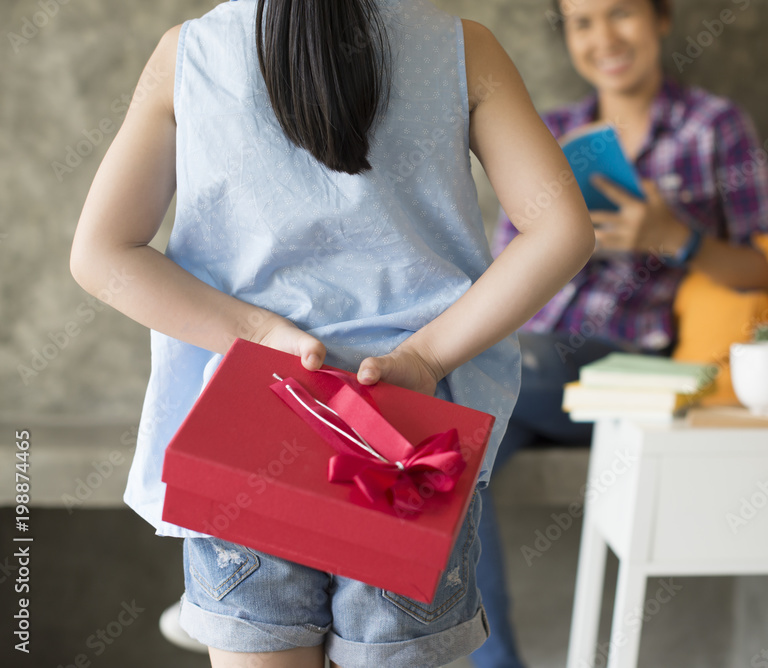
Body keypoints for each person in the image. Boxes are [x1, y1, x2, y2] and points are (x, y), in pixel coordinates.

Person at [68, 0, 596, 665]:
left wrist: (255, 330)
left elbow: (101, 254)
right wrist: (424, 357)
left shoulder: (188, 53)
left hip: (246, 437)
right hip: (408, 448)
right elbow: (562, 231)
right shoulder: (464, 49)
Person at [470, 0, 768, 666]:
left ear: (661, 19)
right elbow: (504, 269)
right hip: (530, 366)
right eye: (583, 22)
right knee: (454, 452)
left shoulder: (713, 126)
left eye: (621, 15)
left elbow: (767, 272)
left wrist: (678, 238)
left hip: (629, 366)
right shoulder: (548, 132)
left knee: (464, 378)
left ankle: (281, 583)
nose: (604, 37)